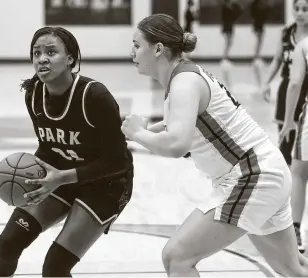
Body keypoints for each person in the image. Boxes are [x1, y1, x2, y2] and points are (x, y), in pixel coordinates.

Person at [123, 13, 308, 277]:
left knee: (177, 257)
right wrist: (133, 134)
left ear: (158, 49)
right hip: (267, 171)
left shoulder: (183, 82)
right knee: (293, 268)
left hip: (252, 175)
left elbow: (176, 144)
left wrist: (138, 133)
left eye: (137, 45)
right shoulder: (184, 78)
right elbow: (175, 127)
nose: (132, 52)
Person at [0, 26, 134, 277]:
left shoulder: (95, 96)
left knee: (54, 268)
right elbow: (48, 147)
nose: (41, 58)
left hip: (107, 184)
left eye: (51, 52)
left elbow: (118, 162)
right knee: (6, 245)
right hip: (60, 177)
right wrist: (32, 179)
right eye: (36, 53)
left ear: (70, 59)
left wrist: (61, 178)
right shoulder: (33, 93)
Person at [261, 0, 308, 182]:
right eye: (296, 9)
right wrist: (266, 82)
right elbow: (277, 60)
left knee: (303, 137)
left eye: (305, 9)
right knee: (286, 135)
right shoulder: (286, 33)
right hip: (288, 89)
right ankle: (285, 180)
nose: (300, 13)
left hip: (305, 90)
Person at [279, 34, 308, 256]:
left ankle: (295, 231)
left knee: (299, 172)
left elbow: (295, 83)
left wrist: (288, 120)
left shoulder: (304, 45)